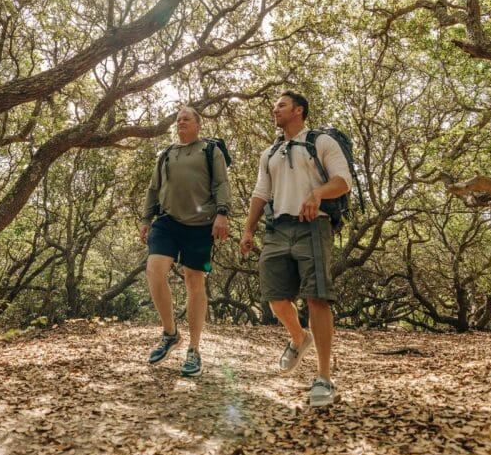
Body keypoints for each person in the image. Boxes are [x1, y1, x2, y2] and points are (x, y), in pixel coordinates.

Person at [239, 91, 351, 407]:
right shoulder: (270, 153)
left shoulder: (321, 142)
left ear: (298, 110)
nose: (275, 109)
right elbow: (261, 192)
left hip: (314, 225)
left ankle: (324, 378)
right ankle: (300, 339)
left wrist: (318, 194)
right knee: (275, 298)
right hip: (277, 228)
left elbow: (344, 180)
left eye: (281, 104)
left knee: (316, 296)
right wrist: (248, 229)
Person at [139, 107, 230, 376]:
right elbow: (153, 188)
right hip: (167, 222)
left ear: (198, 125)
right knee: (154, 270)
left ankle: (194, 349)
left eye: (186, 118)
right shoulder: (166, 153)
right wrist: (146, 218)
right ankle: (170, 333)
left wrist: (222, 213)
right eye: (178, 119)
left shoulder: (210, 150)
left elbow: (222, 184)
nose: (180, 122)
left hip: (201, 225)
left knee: (194, 281)